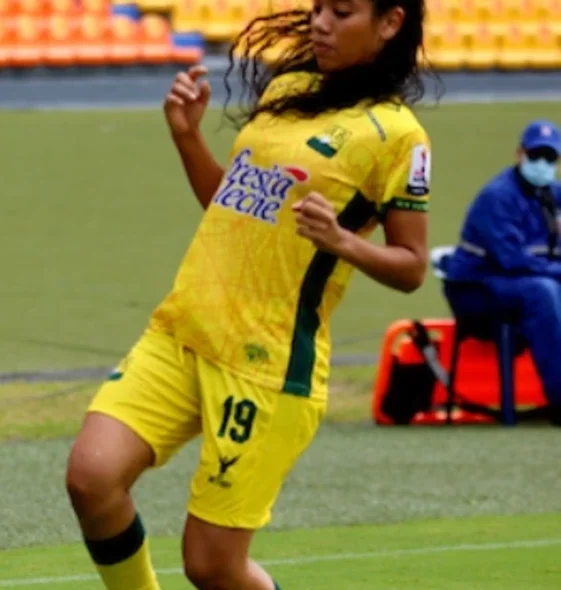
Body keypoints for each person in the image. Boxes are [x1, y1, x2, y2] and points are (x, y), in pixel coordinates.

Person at [64, 0, 434, 587]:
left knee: (212, 566)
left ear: (389, 24)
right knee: (91, 477)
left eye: (341, 12)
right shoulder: (290, 86)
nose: (320, 22)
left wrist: (342, 241)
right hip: (185, 328)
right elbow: (235, 206)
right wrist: (187, 138)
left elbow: (412, 266)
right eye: (317, 8)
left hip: (267, 365)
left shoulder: (397, 135)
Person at [440, 119, 561, 424]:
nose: (542, 164)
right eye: (536, 156)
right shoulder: (498, 197)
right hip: (474, 291)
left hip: (521, 283)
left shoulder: (554, 194)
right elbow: (512, 261)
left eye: (550, 158)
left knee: (545, 287)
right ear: (519, 153)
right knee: (543, 291)